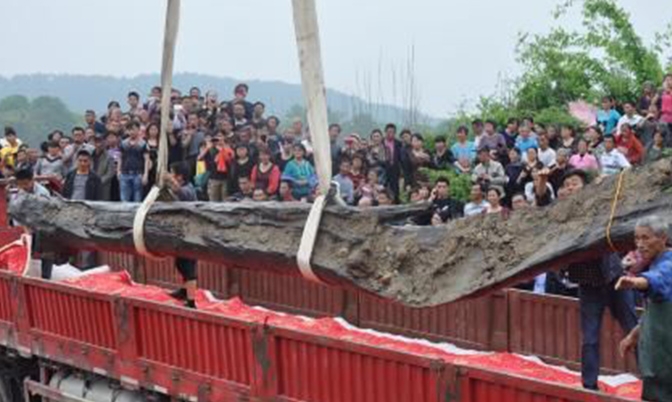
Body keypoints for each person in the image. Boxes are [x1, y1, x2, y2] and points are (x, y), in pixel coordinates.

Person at [560, 169, 638, 391]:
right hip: (589, 285)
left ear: (585, 186)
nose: (570, 187)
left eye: (574, 182)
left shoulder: (600, 205)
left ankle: (652, 379)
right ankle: (589, 385)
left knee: (633, 329)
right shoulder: (564, 216)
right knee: (590, 337)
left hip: (615, 279)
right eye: (567, 184)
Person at [617, 217, 672, 401]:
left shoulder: (668, 265)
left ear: (663, 238)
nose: (640, 244)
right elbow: (653, 311)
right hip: (658, 362)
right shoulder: (655, 262)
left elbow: (657, 279)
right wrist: (633, 335)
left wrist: (635, 282)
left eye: (646, 238)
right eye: (637, 239)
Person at [165, 162, 199, 309]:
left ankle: (191, 302)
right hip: (182, 231)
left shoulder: (188, 190)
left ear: (179, 177)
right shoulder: (184, 189)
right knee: (180, 263)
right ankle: (185, 291)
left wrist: (166, 178)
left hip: (190, 233)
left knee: (188, 266)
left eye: (173, 173)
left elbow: (180, 192)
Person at [14, 169, 53, 279]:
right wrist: (25, 228)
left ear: (32, 180)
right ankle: (26, 276)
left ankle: (46, 278)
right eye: (21, 184)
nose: (24, 187)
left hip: (43, 225)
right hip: (28, 226)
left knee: (47, 251)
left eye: (26, 183)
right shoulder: (19, 193)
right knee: (25, 251)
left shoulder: (43, 192)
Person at [118, 122, 148, 202]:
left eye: (134, 129)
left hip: (138, 174)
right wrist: (118, 171)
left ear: (138, 130)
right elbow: (120, 157)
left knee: (137, 199)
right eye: (130, 130)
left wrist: (145, 174)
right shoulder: (123, 143)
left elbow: (146, 159)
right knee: (124, 199)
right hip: (125, 173)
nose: (132, 132)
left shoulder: (143, 144)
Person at [91, 134, 115, 201]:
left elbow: (111, 173)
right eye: (96, 142)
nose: (98, 144)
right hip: (91, 184)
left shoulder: (109, 156)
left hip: (103, 185)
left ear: (104, 142)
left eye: (100, 142)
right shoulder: (90, 155)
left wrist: (99, 181)